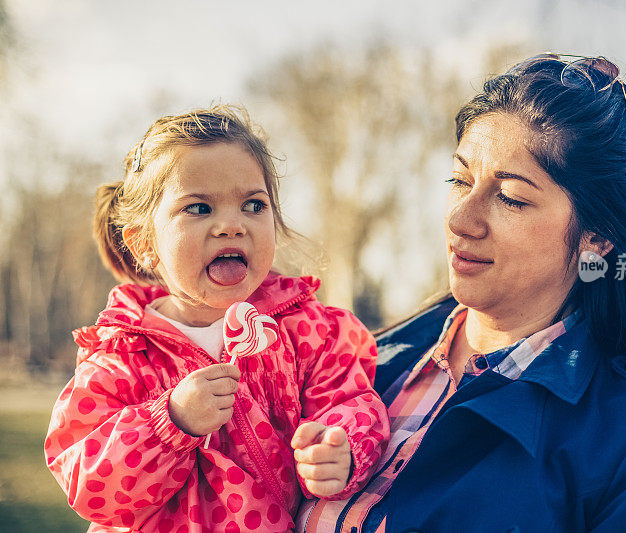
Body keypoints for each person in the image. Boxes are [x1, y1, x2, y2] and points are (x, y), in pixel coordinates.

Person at [297, 54, 626, 532]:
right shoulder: (358, 364)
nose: (460, 219)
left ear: (598, 236)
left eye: (511, 197)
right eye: (460, 180)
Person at [44, 105, 390, 532]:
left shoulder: (308, 329)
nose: (231, 225)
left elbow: (351, 399)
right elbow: (87, 482)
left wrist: (341, 447)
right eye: (199, 208)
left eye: (253, 204)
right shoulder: (120, 356)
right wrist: (168, 422)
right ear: (143, 244)